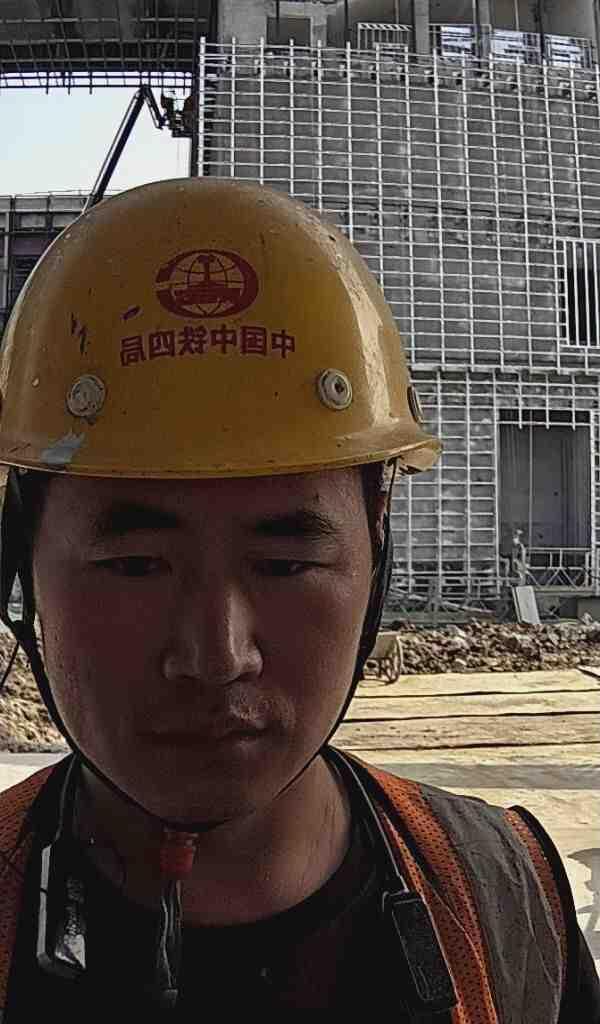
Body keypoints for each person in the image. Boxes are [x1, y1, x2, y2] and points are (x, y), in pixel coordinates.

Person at [0, 178, 597, 1020]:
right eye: (135, 564)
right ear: (22, 555)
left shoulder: (505, 900)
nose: (216, 656)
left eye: (284, 564)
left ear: (376, 543)